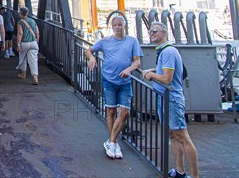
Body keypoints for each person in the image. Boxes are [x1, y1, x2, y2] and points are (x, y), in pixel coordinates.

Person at [143, 22, 199, 178]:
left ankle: (195, 176)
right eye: (150, 31)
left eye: (154, 31)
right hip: (165, 98)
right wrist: (153, 70)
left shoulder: (167, 52)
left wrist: (151, 75)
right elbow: (167, 70)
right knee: (173, 135)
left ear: (164, 32)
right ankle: (180, 171)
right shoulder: (165, 51)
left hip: (172, 99)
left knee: (183, 136)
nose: (151, 33)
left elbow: (167, 79)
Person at [84, 15, 143, 159]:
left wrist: (129, 69)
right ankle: (114, 142)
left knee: (124, 112)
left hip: (125, 82)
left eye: (120, 25)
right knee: (110, 111)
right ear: (112, 26)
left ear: (124, 26)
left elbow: (137, 62)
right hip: (109, 81)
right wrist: (91, 58)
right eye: (115, 25)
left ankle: (111, 141)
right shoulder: (105, 42)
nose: (118, 27)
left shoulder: (132, 41)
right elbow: (88, 50)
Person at [15, 7, 40, 84]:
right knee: (33, 61)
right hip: (33, 42)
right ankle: (35, 78)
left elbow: (20, 33)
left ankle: (23, 74)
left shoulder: (20, 22)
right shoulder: (33, 21)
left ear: (21, 14)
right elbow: (37, 32)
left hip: (24, 43)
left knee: (22, 58)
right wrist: (37, 41)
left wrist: (18, 44)